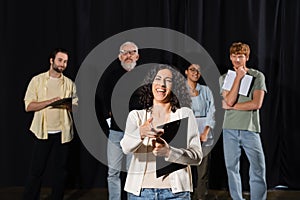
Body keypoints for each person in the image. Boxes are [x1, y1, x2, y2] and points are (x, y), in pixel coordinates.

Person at [120, 64, 203, 200]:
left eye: (168, 80)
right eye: (158, 79)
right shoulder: (137, 116)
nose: (162, 84)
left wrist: (169, 152)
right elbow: (125, 147)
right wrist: (141, 132)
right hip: (141, 193)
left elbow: (197, 157)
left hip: (176, 194)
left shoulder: (184, 114)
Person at [23, 48, 78, 200]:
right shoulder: (37, 80)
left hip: (63, 133)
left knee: (61, 172)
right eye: (60, 60)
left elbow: (77, 108)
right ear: (51, 60)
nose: (63, 64)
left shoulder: (69, 83)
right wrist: (49, 102)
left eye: (65, 61)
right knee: (36, 171)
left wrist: (68, 105)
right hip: (43, 132)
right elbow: (28, 106)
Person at [219, 42, 267, 200]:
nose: (237, 59)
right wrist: (238, 78)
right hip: (229, 129)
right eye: (234, 56)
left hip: (250, 128)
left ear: (247, 57)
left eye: (240, 56)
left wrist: (232, 107)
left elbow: (256, 104)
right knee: (231, 168)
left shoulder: (257, 76)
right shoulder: (225, 78)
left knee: (258, 167)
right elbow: (229, 100)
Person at [96, 41, 140, 200]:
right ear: (119, 56)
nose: (129, 56)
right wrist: (110, 121)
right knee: (113, 172)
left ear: (137, 55)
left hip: (135, 133)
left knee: (132, 172)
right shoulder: (111, 76)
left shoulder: (143, 75)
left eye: (132, 52)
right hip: (115, 132)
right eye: (125, 52)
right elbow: (105, 102)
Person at [185, 64, 216, 200]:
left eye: (198, 70)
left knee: (203, 169)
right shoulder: (180, 90)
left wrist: (205, 131)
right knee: (185, 168)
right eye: (192, 70)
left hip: (205, 131)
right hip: (186, 131)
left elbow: (213, 111)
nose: (196, 73)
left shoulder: (206, 90)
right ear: (186, 72)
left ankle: (200, 196)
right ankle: (186, 195)